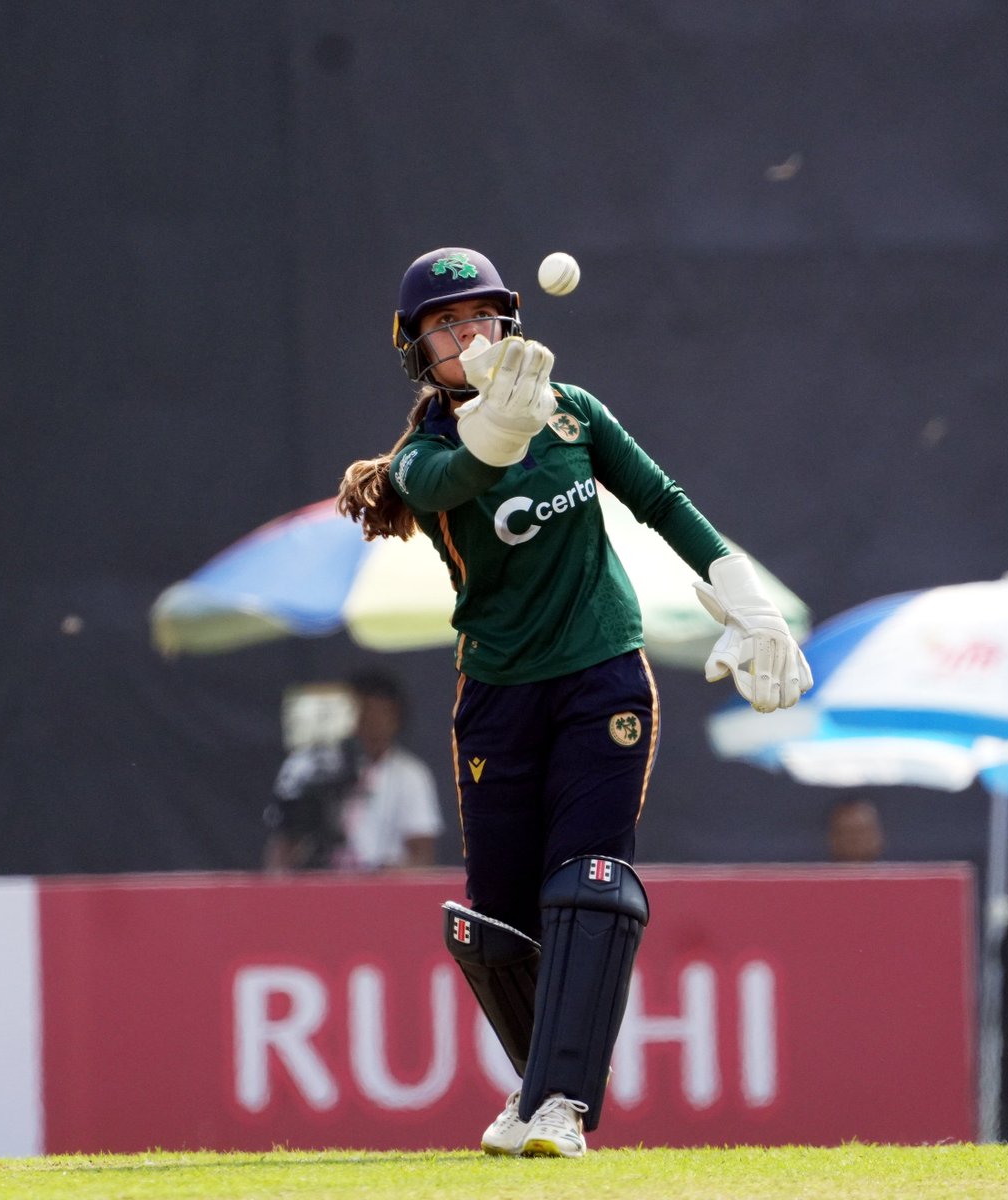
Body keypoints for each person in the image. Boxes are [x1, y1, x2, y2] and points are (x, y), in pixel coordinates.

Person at [336, 247, 812, 1157]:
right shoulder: (421, 460)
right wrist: (491, 435)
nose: (469, 335)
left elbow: (661, 502)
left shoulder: (574, 412)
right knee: (495, 922)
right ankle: (541, 1089)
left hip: (602, 677)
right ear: (418, 351)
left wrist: (745, 602)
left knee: (588, 879)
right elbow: (457, 479)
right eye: (446, 325)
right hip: (497, 698)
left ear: (511, 321)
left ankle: (557, 1108)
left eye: (481, 315)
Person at [263, 669, 443, 871]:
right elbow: (281, 849)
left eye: (382, 713)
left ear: (398, 718)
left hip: (382, 891)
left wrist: (383, 876)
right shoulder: (305, 766)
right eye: (363, 711)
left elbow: (422, 856)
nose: (372, 723)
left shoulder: (412, 775)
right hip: (316, 887)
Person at [827, 797, 886, 863]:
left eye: (861, 832)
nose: (855, 838)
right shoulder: (818, 872)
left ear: (878, 836)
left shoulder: (891, 871)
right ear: (833, 839)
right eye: (848, 832)